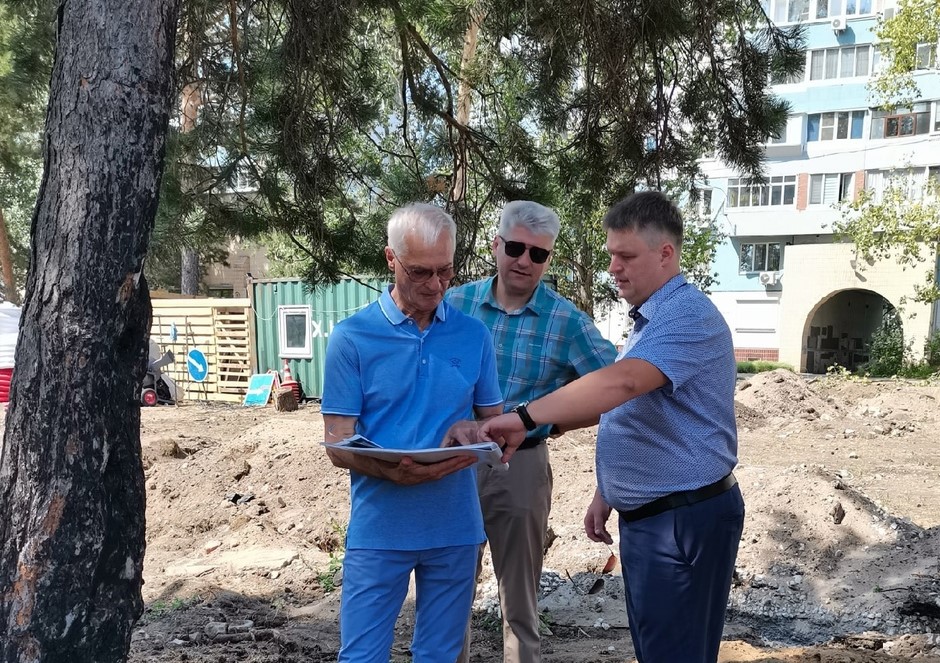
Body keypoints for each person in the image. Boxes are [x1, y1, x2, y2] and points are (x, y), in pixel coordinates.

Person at [479, 191, 745, 663]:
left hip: (681, 520)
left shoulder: (686, 316)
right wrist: (608, 489)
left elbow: (621, 384)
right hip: (658, 517)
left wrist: (524, 417)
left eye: (626, 256)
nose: (613, 268)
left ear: (666, 254)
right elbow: (641, 409)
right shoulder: (652, 318)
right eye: (611, 255)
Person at [321, 203, 504, 663]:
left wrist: (475, 429)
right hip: (379, 527)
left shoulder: (474, 336)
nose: (436, 285)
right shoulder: (352, 338)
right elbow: (337, 441)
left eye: (446, 271)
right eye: (421, 272)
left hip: (455, 527)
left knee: (439, 656)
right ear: (391, 258)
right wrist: (390, 472)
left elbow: (495, 426)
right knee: (361, 657)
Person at [446, 200, 616, 663]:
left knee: (518, 600)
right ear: (496, 245)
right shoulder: (455, 305)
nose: (524, 261)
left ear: (548, 258)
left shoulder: (567, 322)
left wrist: (551, 422)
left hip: (518, 468)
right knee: (448, 591)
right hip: (451, 465)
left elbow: (614, 388)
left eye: (538, 253)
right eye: (516, 248)